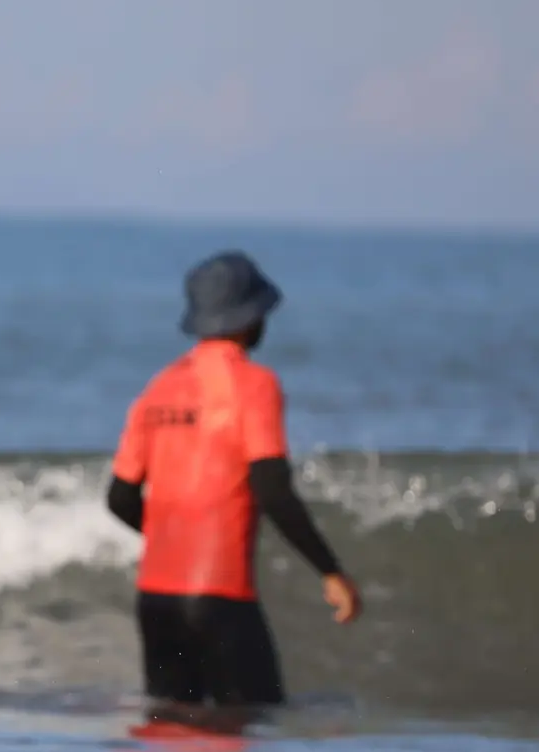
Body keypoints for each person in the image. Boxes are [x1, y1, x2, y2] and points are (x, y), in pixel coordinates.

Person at [107, 251, 361, 713]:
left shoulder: (158, 388)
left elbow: (120, 497)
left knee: (169, 736)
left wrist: (169, 537)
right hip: (220, 596)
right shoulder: (254, 385)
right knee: (253, 730)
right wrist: (330, 570)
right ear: (249, 317)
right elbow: (272, 488)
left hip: (155, 598)